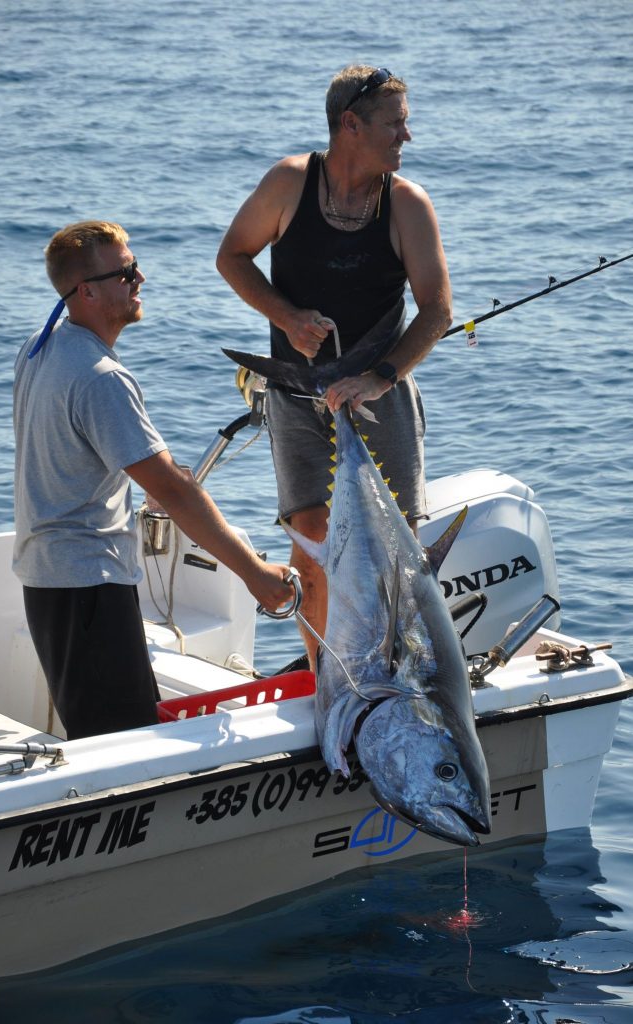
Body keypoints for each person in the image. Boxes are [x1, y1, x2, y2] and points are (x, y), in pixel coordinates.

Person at [13, 220, 293, 740]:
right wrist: (253, 572)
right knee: (124, 749)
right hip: (88, 586)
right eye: (126, 272)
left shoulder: (41, 346)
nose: (140, 278)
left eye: (135, 265)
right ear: (87, 291)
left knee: (104, 731)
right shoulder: (101, 377)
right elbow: (172, 491)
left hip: (46, 580)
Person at [216, 65, 453, 668]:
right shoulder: (289, 183)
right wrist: (288, 318)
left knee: (397, 542)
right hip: (297, 396)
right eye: (395, 125)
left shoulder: (406, 205)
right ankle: (328, 673)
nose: (407, 138)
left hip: (381, 389)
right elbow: (233, 256)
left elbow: (436, 311)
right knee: (312, 538)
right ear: (351, 124)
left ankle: (394, 671)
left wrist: (380, 376)